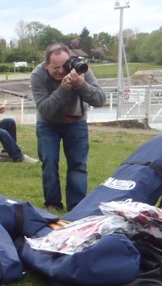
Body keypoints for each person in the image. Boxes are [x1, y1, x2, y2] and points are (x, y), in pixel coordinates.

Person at [31, 43, 107, 211]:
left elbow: (100, 100)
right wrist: (63, 88)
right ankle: (52, 203)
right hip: (47, 123)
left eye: (64, 66)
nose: (61, 71)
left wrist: (81, 84)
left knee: (78, 164)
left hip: (76, 122)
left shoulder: (80, 70)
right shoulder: (37, 75)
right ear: (46, 65)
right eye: (55, 68)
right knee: (49, 162)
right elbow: (45, 109)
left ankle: (77, 206)